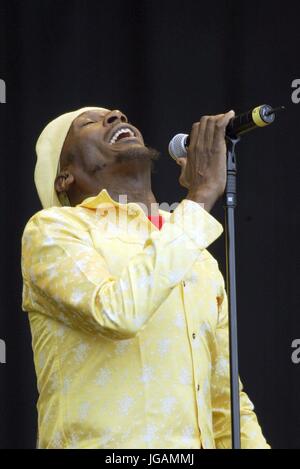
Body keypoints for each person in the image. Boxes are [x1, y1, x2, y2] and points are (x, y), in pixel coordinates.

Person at [21, 106, 270, 449]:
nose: (116, 115)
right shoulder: (53, 230)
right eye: (89, 122)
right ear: (65, 176)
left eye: (116, 114)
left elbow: (226, 401)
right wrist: (199, 196)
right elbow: (116, 313)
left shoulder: (193, 250)